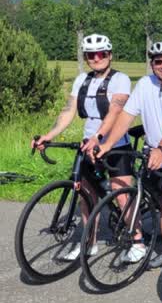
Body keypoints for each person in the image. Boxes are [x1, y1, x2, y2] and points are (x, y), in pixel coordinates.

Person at [95, 41, 162, 269]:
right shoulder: (144, 84)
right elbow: (126, 116)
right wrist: (108, 144)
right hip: (154, 156)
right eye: (158, 61)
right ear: (152, 64)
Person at [31, 34, 133, 261]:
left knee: (122, 196)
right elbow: (68, 111)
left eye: (101, 54)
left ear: (109, 55)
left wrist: (98, 137)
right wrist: (49, 135)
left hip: (116, 145)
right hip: (89, 146)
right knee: (86, 196)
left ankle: (138, 241)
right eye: (91, 55)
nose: (96, 58)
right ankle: (89, 242)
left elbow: (115, 112)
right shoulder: (82, 80)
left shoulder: (120, 79)